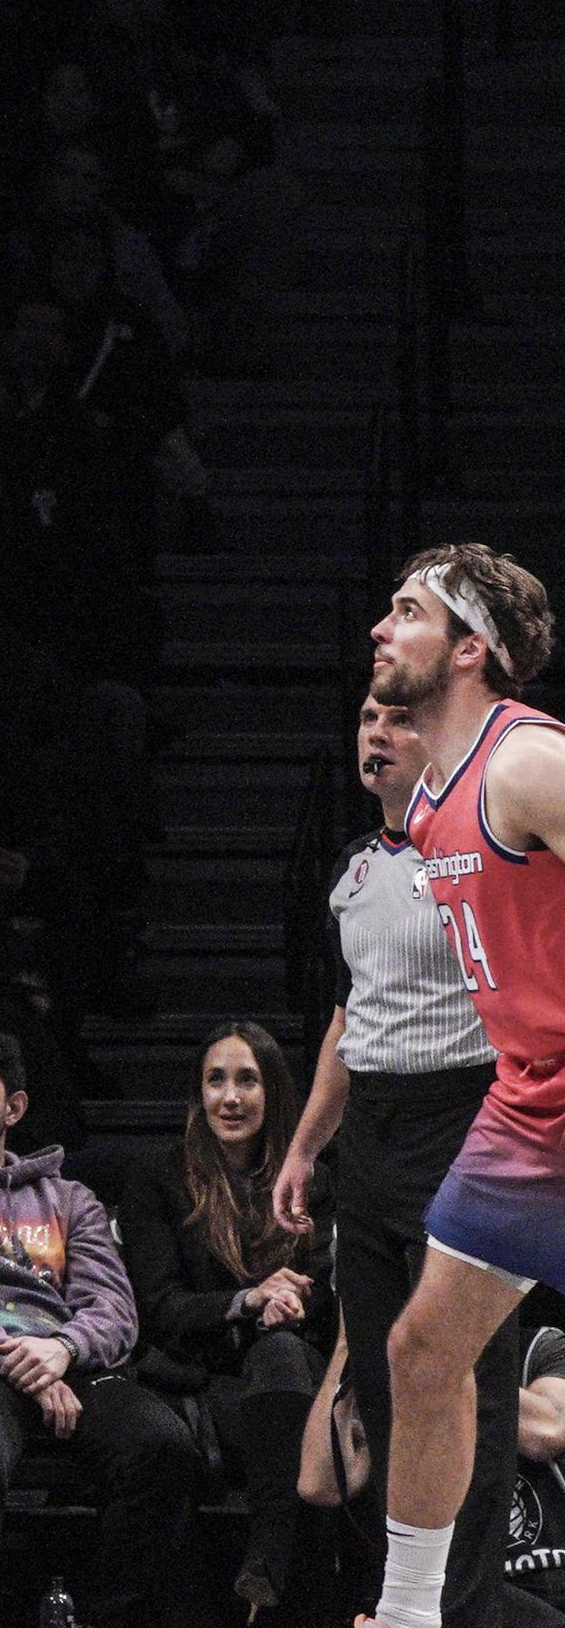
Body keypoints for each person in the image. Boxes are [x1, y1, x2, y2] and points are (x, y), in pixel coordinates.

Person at [273, 695, 512, 1626]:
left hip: (470, 1121)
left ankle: (459, 1612)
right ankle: (394, 1601)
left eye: (399, 721)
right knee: (375, 1388)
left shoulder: (492, 850)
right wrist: (304, 1147)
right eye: (368, 718)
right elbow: (348, 1017)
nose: (377, 732)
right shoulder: (351, 868)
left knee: (461, 1390)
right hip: (371, 1136)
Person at [359, 544, 564, 1628]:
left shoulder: (528, 762)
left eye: (406, 611)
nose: (380, 628)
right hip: (529, 1099)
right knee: (424, 1349)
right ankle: (406, 1615)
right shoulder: (435, 797)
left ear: (472, 649)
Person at [0, 1029, 200, 1628]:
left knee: (165, 1445)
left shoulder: (71, 1198)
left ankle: (113, 1616)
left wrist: (63, 1349)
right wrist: (24, 1361)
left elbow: (113, 1307)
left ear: (14, 1106)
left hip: (70, 1364)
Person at [120, 1021, 328, 1612]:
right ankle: (285, 1582)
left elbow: (336, 1297)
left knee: (285, 1359)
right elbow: (158, 1308)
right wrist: (250, 1301)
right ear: (198, 1094)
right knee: (309, 1443)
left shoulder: (314, 1179)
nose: (230, 1097)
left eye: (248, 1081)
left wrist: (293, 1302)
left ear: (275, 1094)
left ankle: (267, 1565)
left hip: (295, 1370)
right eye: (216, 1081)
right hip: (205, 1377)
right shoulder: (159, 1177)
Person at [303, 1325, 565, 1628]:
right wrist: (348, 1346)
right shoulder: (386, 1371)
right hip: (445, 1591)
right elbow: (321, 1485)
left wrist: (434, 1357)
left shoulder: (541, 1346)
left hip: (548, 1578)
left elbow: (547, 1431)